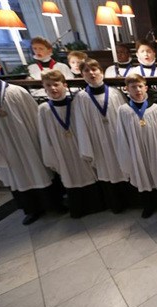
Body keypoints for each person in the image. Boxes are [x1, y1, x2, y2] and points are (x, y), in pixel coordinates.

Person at [0, 59, 64, 225]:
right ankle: (31, 209)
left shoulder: (16, 92)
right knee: (18, 176)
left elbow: (35, 117)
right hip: (4, 145)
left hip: (27, 141)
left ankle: (55, 204)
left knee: (38, 170)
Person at [38, 70, 104, 218]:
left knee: (86, 171)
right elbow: (44, 134)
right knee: (69, 175)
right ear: (44, 87)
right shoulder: (44, 109)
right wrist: (51, 154)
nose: (53, 88)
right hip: (60, 148)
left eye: (56, 84)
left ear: (64, 85)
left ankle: (95, 205)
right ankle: (77, 208)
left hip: (79, 144)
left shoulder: (75, 104)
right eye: (49, 85)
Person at [72, 58, 130, 213]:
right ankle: (114, 204)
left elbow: (126, 117)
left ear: (101, 72)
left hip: (117, 138)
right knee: (106, 170)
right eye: (87, 71)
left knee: (122, 167)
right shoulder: (81, 98)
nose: (91, 73)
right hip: (97, 141)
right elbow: (80, 124)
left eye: (94, 69)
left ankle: (130, 201)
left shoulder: (115, 94)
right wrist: (86, 145)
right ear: (82, 75)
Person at [116, 74, 157, 218]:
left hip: (156, 150)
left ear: (146, 87)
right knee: (142, 176)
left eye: (140, 86)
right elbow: (121, 135)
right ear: (126, 89)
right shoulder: (123, 111)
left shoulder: (156, 109)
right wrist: (127, 155)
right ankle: (148, 206)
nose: (137, 90)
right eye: (133, 87)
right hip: (137, 152)